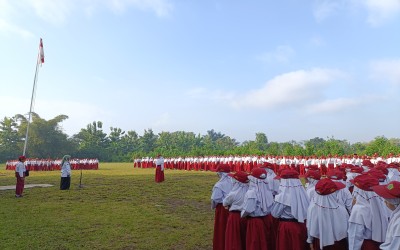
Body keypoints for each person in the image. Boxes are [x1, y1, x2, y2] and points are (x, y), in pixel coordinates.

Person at [271, 169, 310, 250]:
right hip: (301, 225)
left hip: (287, 227)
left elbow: (275, 214)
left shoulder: (282, 197)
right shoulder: (303, 194)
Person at [348, 174, 389, 250]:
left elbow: (355, 236)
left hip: (365, 245)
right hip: (379, 244)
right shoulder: (381, 202)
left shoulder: (358, 209)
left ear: (358, 190)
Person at [307, 178, 349, 250]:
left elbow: (309, 226)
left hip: (319, 241)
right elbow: (347, 230)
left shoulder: (312, 208)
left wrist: (310, 241)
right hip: (338, 244)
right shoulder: (341, 209)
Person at [223, 171, 249, 250]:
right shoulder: (249, 192)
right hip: (246, 216)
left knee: (234, 237)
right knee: (244, 236)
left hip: (235, 216)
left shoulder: (233, 193)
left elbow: (225, 202)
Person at [372, 181, 400, 250]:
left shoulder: (398, 222)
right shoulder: (396, 215)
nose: (384, 202)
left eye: (387, 200)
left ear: (395, 202)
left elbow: (395, 246)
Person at [211, 164, 233, 250]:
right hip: (232, 207)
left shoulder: (219, 185)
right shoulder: (234, 181)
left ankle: (221, 246)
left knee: (221, 229)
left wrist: (213, 206)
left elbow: (215, 199)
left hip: (222, 209)